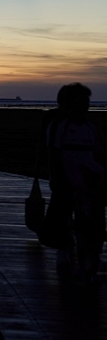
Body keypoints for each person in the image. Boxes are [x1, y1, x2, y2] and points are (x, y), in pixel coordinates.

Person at [44, 83, 105, 284]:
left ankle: (89, 263)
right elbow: (53, 153)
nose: (86, 104)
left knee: (89, 225)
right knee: (64, 218)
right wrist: (55, 178)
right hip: (67, 181)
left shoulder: (90, 128)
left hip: (90, 183)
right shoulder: (59, 126)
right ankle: (65, 250)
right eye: (82, 100)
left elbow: (97, 154)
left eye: (87, 101)